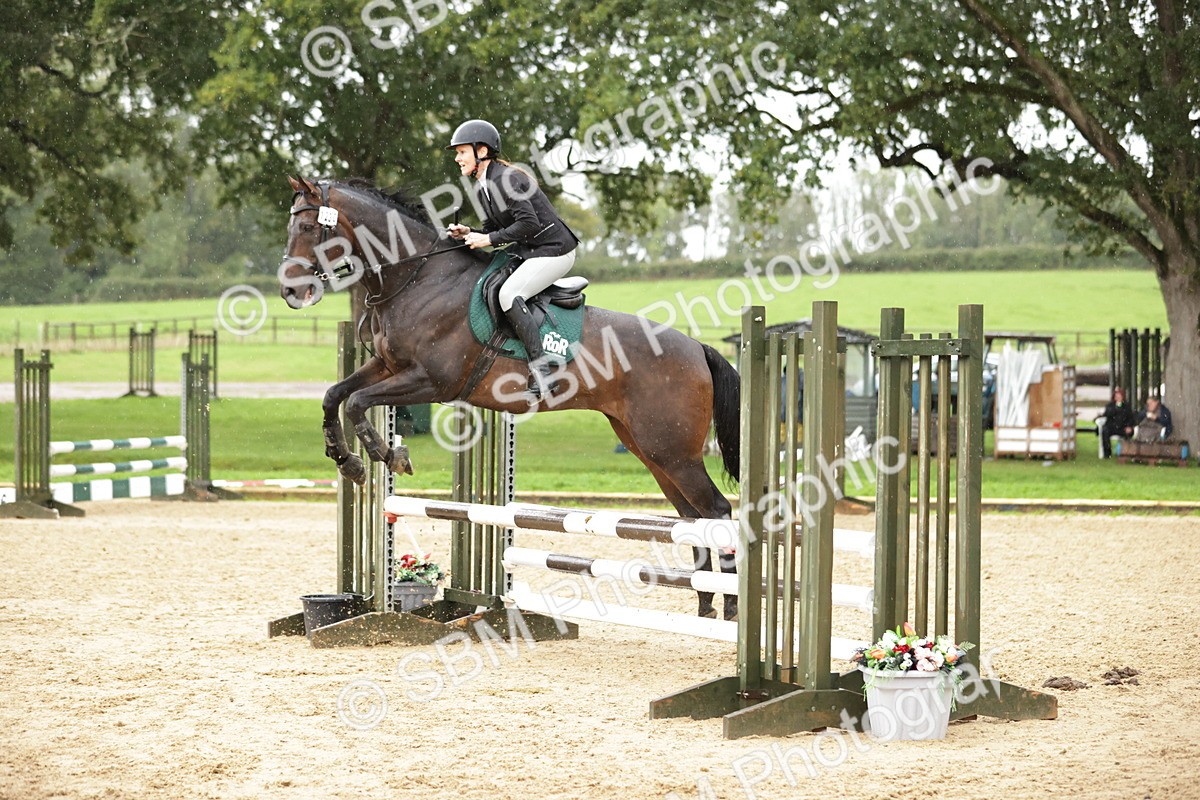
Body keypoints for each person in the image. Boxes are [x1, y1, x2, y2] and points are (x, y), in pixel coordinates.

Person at [445, 119, 580, 398]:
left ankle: (542, 372)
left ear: (481, 150)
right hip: (533, 249)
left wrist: (489, 240)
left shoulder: (505, 179)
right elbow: (496, 230)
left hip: (556, 249)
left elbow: (528, 224)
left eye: (461, 152)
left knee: (509, 294)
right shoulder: (482, 184)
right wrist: (470, 232)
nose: (457, 159)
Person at [1099, 387, 1137, 458]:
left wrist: (1129, 426)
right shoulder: (1110, 406)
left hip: (1123, 427)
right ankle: (1107, 453)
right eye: (1116, 396)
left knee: (1129, 433)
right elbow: (1107, 414)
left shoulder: (1127, 406)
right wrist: (1116, 408)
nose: (1118, 398)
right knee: (1105, 431)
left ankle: (1126, 452)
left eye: (1120, 396)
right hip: (1112, 427)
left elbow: (1131, 418)